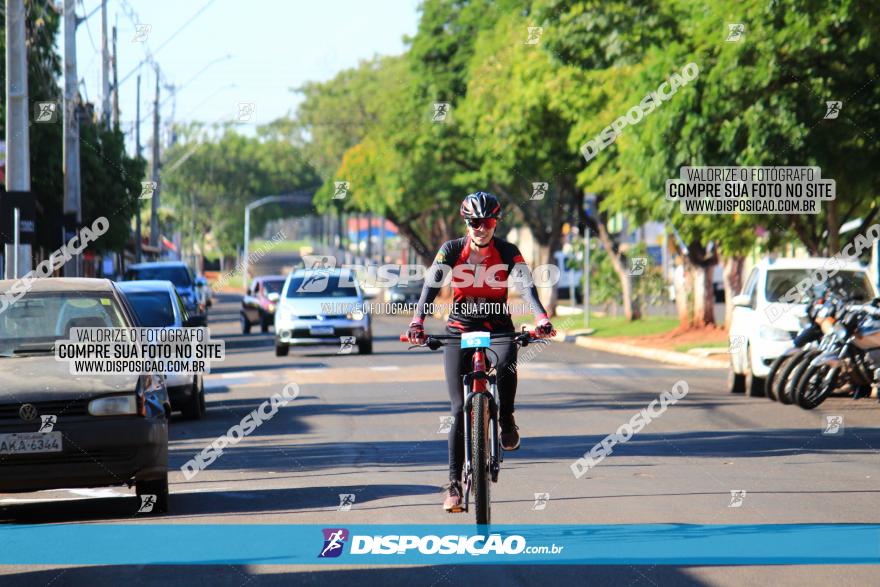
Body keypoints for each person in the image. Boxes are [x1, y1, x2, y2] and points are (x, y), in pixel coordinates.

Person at [405, 191, 554, 512]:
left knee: (508, 363)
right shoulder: (451, 250)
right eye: (474, 222)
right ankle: (454, 485)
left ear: (495, 223)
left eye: (486, 222)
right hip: (459, 329)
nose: (480, 228)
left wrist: (540, 317)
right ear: (466, 223)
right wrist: (417, 321)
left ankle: (507, 421)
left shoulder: (508, 251)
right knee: (458, 408)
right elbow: (431, 286)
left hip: (498, 327)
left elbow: (526, 286)